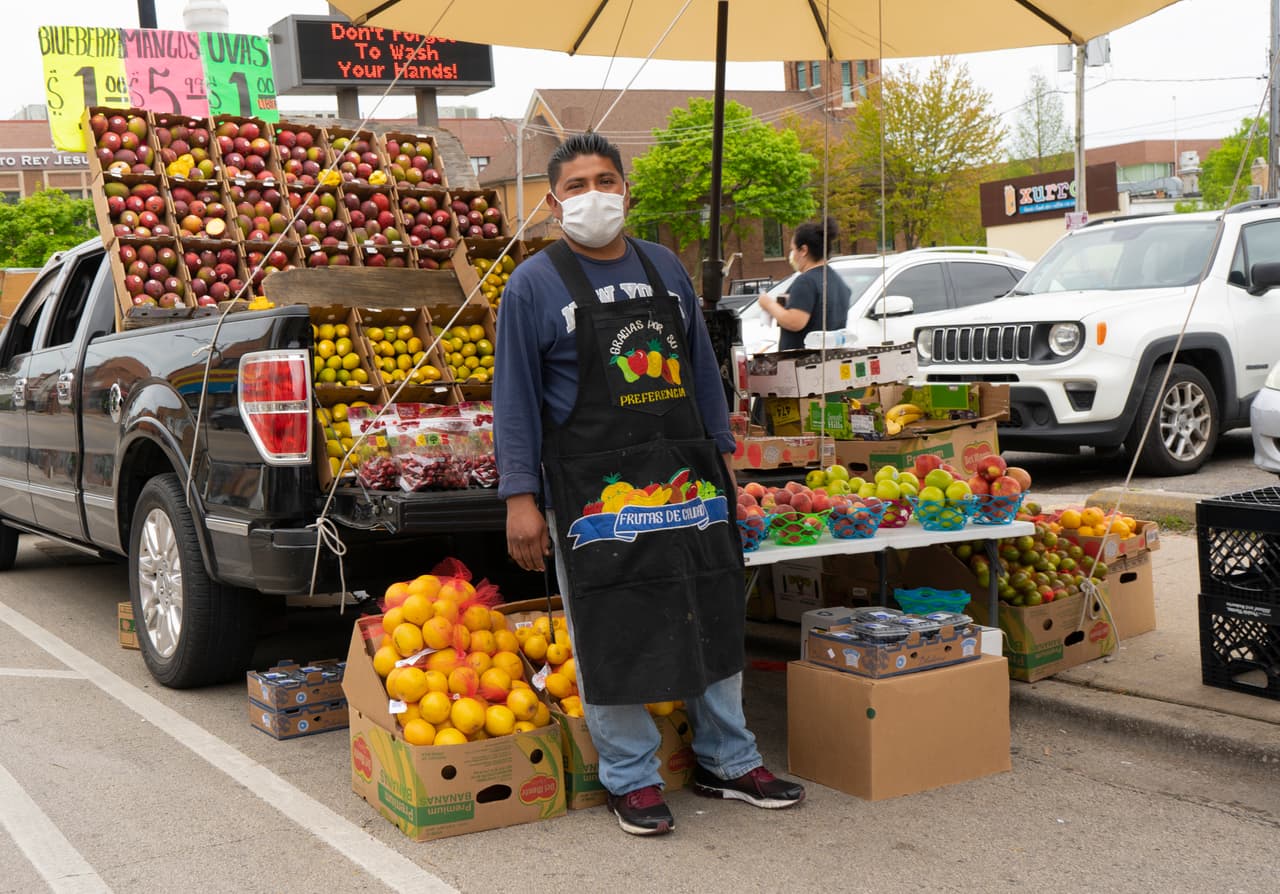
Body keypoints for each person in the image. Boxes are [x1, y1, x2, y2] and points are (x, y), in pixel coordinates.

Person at [494, 133, 805, 837]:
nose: (594, 195)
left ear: (627, 192)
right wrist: (520, 497)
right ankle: (630, 777)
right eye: (577, 186)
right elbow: (514, 398)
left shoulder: (663, 266)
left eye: (606, 180)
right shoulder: (533, 285)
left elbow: (698, 368)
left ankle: (730, 760)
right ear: (553, 204)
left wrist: (722, 452)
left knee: (711, 605)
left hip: (685, 476)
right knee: (610, 623)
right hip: (594, 490)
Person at [756, 219, 852, 351]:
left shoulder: (806, 281)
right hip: (830, 355)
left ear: (803, 250)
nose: (792, 255)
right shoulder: (837, 281)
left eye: (793, 249)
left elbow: (795, 322)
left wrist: (768, 304)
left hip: (803, 359)